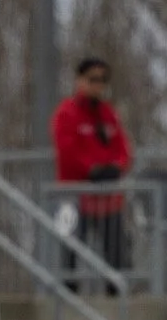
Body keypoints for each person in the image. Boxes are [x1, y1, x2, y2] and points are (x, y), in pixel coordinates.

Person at [50, 57, 132, 276]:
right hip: (75, 198)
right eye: (93, 79)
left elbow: (123, 148)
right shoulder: (66, 113)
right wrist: (92, 170)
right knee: (70, 255)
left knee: (116, 255)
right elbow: (67, 151)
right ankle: (68, 295)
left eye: (103, 80)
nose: (98, 86)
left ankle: (116, 298)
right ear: (79, 81)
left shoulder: (108, 114)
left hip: (107, 200)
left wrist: (116, 168)